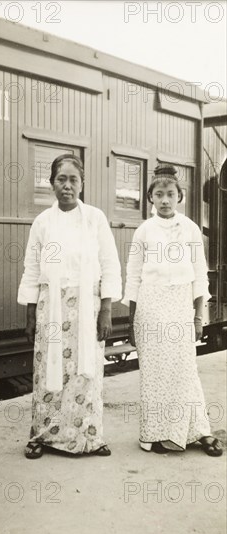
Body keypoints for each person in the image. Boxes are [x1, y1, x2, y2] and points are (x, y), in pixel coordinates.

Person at [18, 154, 122, 458]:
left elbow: (110, 265)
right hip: (50, 307)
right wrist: (29, 314)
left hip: (87, 310)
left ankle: (89, 438)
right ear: (51, 184)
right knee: (48, 372)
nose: (67, 185)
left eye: (73, 179)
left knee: (84, 374)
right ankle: (42, 436)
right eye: (61, 179)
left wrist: (106, 310)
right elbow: (32, 270)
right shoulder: (43, 222)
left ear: (82, 184)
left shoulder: (95, 219)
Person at [122, 164, 223, 456]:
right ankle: (153, 435)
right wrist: (131, 322)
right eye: (158, 194)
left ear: (179, 196)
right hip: (150, 306)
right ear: (150, 198)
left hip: (180, 305)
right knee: (154, 373)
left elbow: (200, 275)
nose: (165, 200)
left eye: (170, 194)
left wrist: (199, 316)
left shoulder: (190, 228)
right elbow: (135, 276)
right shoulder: (144, 231)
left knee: (184, 370)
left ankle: (199, 431)